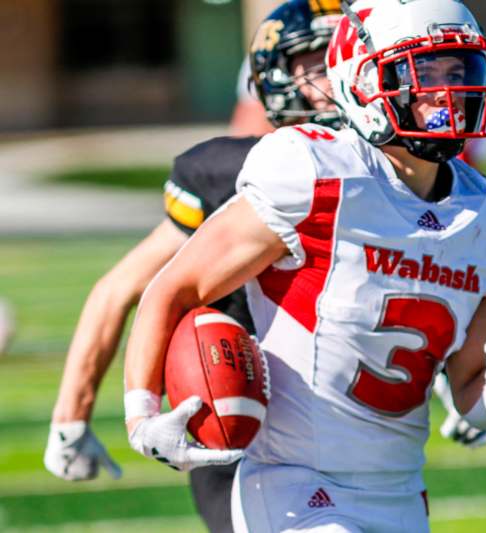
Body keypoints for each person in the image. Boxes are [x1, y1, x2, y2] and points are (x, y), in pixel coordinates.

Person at [122, 1, 486, 532]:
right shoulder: (315, 173)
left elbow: (467, 390)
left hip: (400, 490)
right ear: (363, 82)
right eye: (424, 71)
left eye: (457, 71)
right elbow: (173, 286)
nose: (447, 91)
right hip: (293, 482)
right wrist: (141, 414)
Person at [44, 2, 342, 532]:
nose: (335, 69)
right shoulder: (228, 172)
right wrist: (71, 417)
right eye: (314, 58)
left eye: (344, 51)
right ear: (275, 75)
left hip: (348, 423)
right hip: (244, 408)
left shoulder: (399, 174)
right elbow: (119, 288)